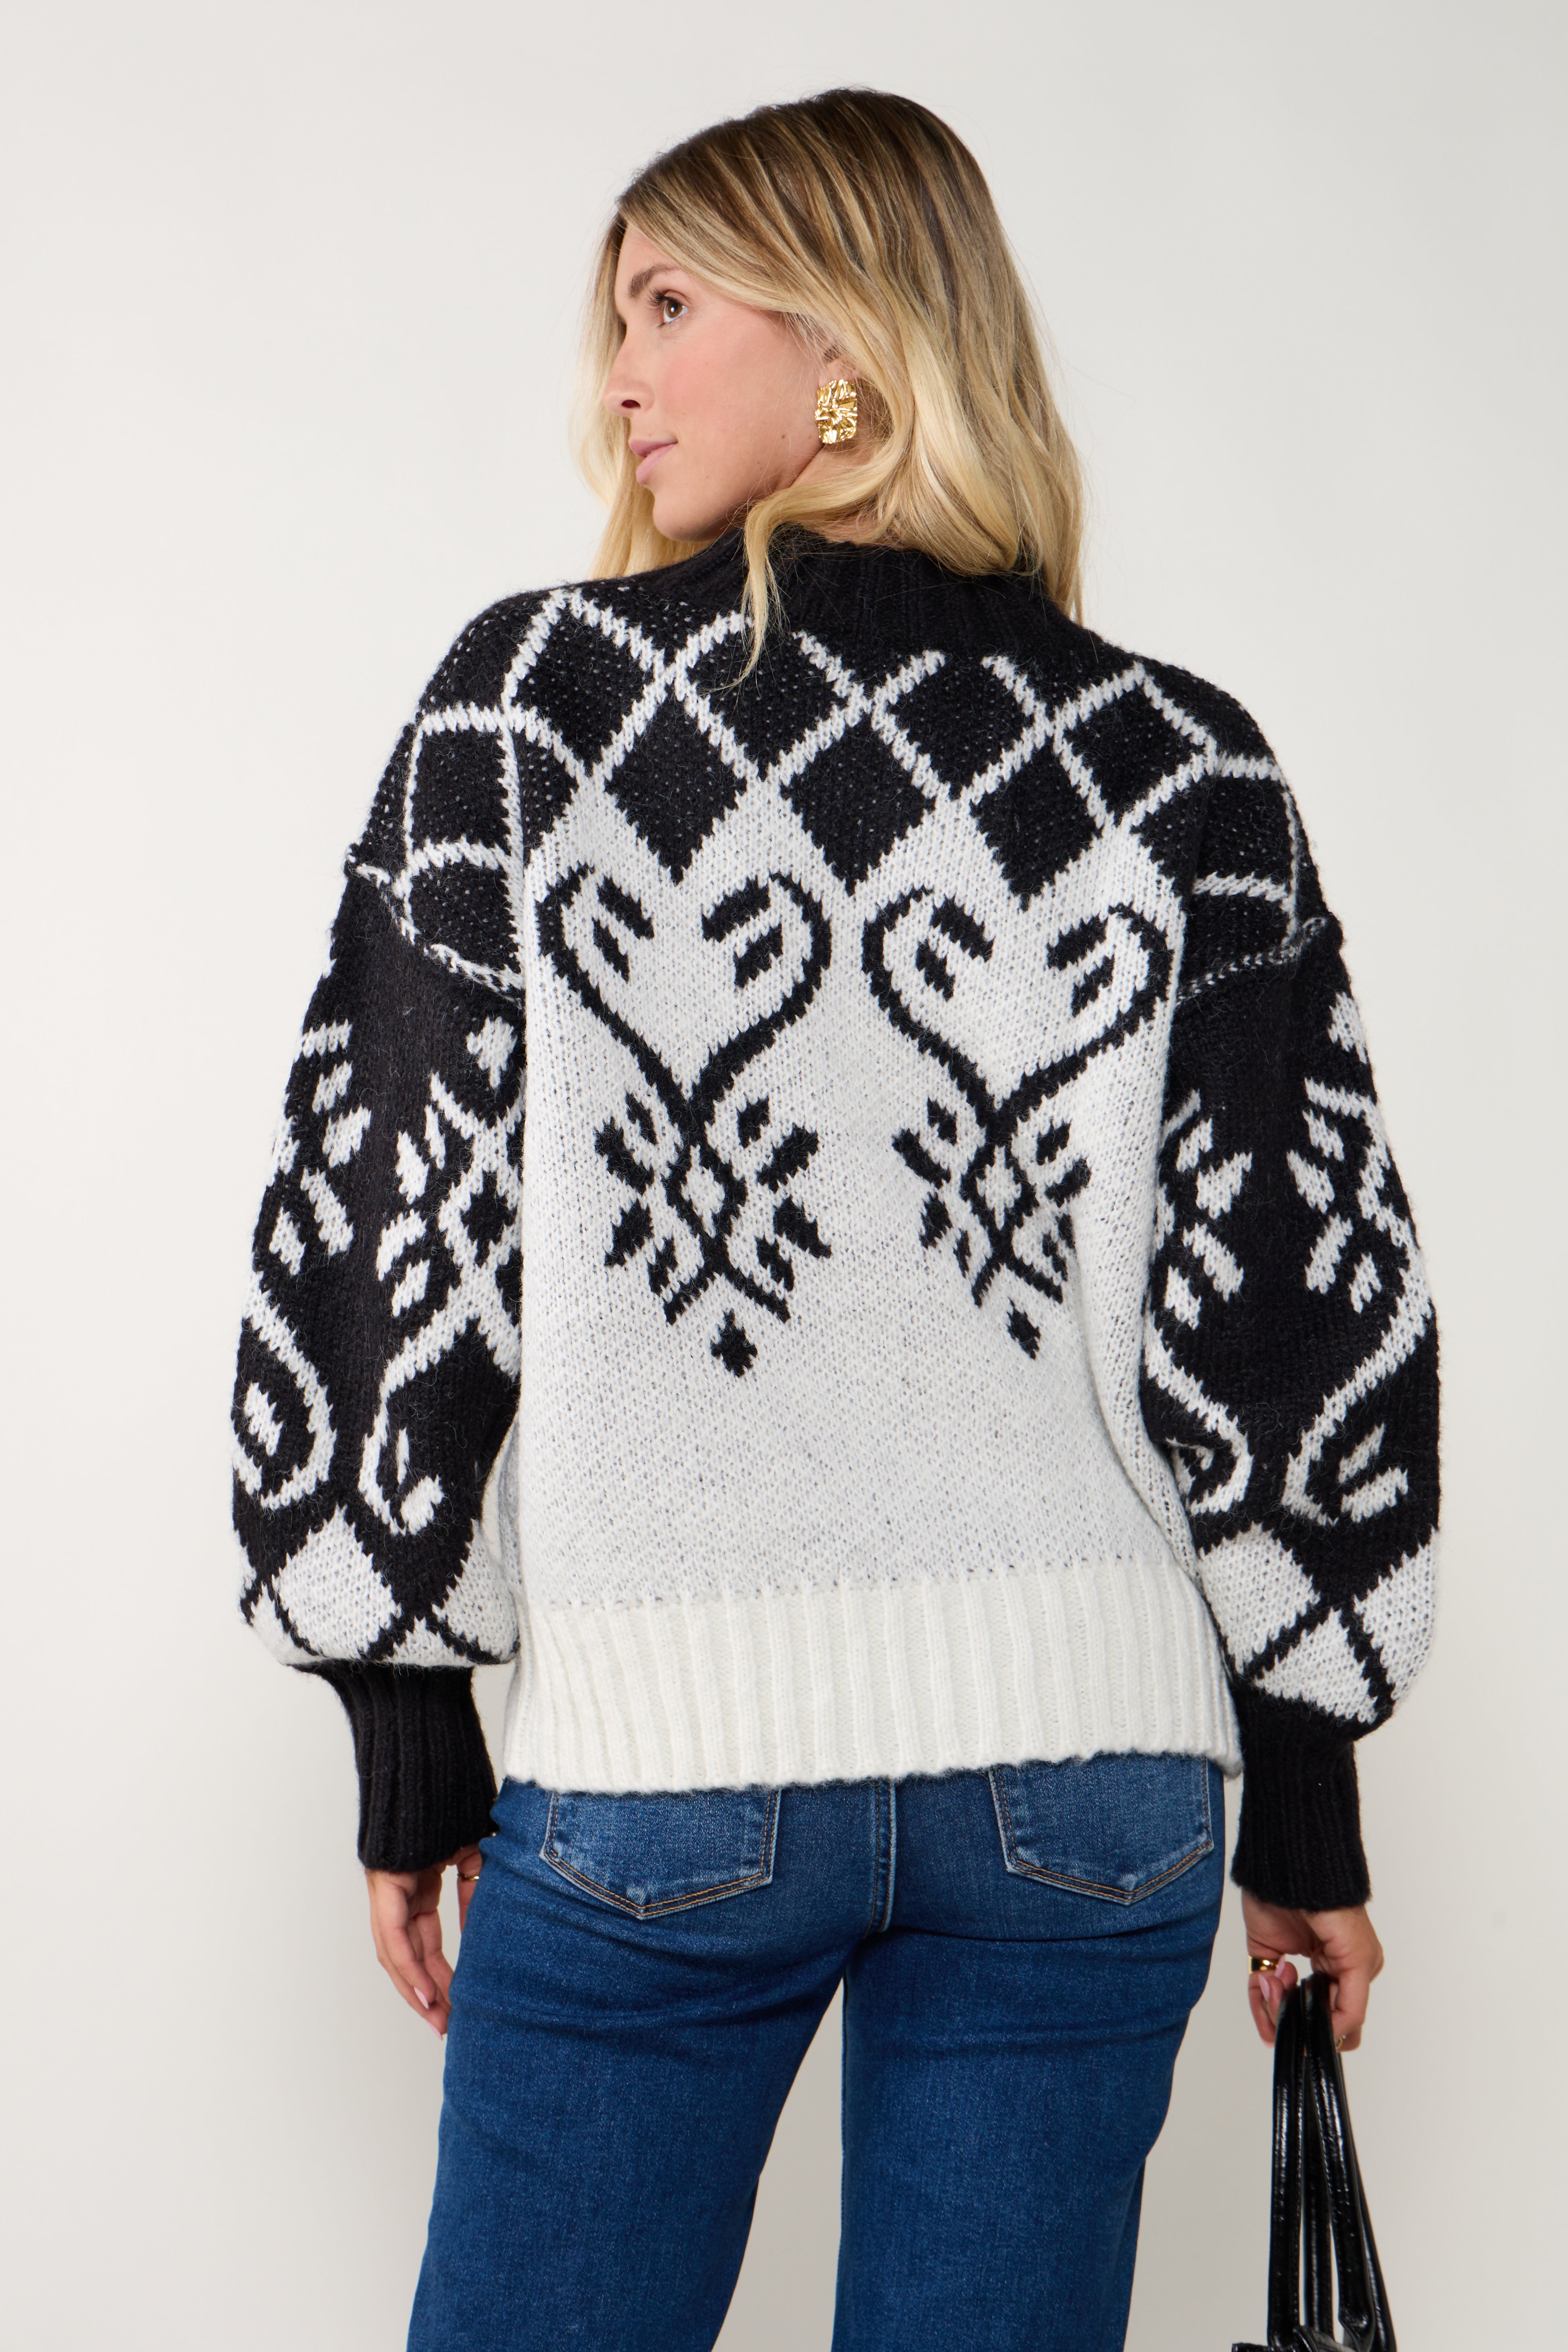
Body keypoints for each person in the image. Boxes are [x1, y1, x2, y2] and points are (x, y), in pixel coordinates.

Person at [230, 86, 1438, 2352]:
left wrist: (405, 1710)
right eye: (616, 321)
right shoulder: (1183, 766)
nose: (618, 377)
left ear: (855, 343)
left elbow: (390, 1216)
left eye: (668, 305)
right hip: (1093, 1791)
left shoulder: (528, 716)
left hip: (664, 1783)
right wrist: (1307, 1796)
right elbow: (1292, 1303)